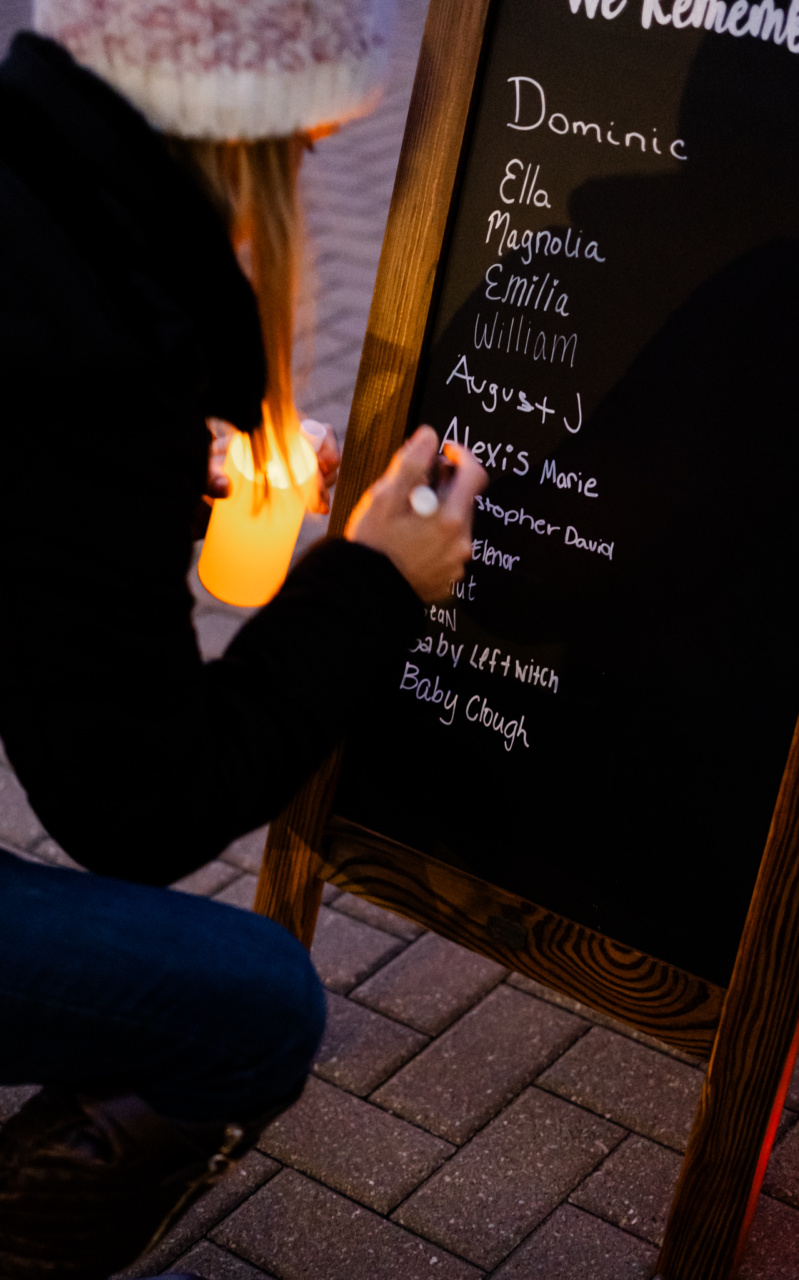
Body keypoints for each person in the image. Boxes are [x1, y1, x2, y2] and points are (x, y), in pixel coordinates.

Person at [0, 2, 486, 1277]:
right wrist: (374, 585)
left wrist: (173, 470)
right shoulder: (89, 358)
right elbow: (139, 807)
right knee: (255, 1004)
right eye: (310, 147)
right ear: (247, 141)